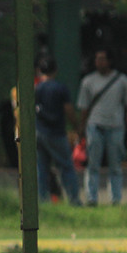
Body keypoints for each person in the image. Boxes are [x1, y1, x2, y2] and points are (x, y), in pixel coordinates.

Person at [76, 48, 127, 206]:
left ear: (110, 61)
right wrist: (81, 127)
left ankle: (115, 199)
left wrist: (125, 124)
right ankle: (91, 198)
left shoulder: (122, 80)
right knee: (92, 164)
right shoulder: (88, 81)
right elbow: (84, 108)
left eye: (102, 59)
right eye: (97, 59)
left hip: (115, 127)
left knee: (115, 166)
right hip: (95, 126)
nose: (99, 62)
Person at [33, 56, 81, 205]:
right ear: (55, 71)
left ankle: (42, 200)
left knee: (41, 168)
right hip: (56, 132)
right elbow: (68, 109)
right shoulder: (60, 88)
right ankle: (74, 200)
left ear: (40, 71)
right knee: (66, 166)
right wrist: (76, 125)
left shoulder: (36, 88)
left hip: (39, 132)